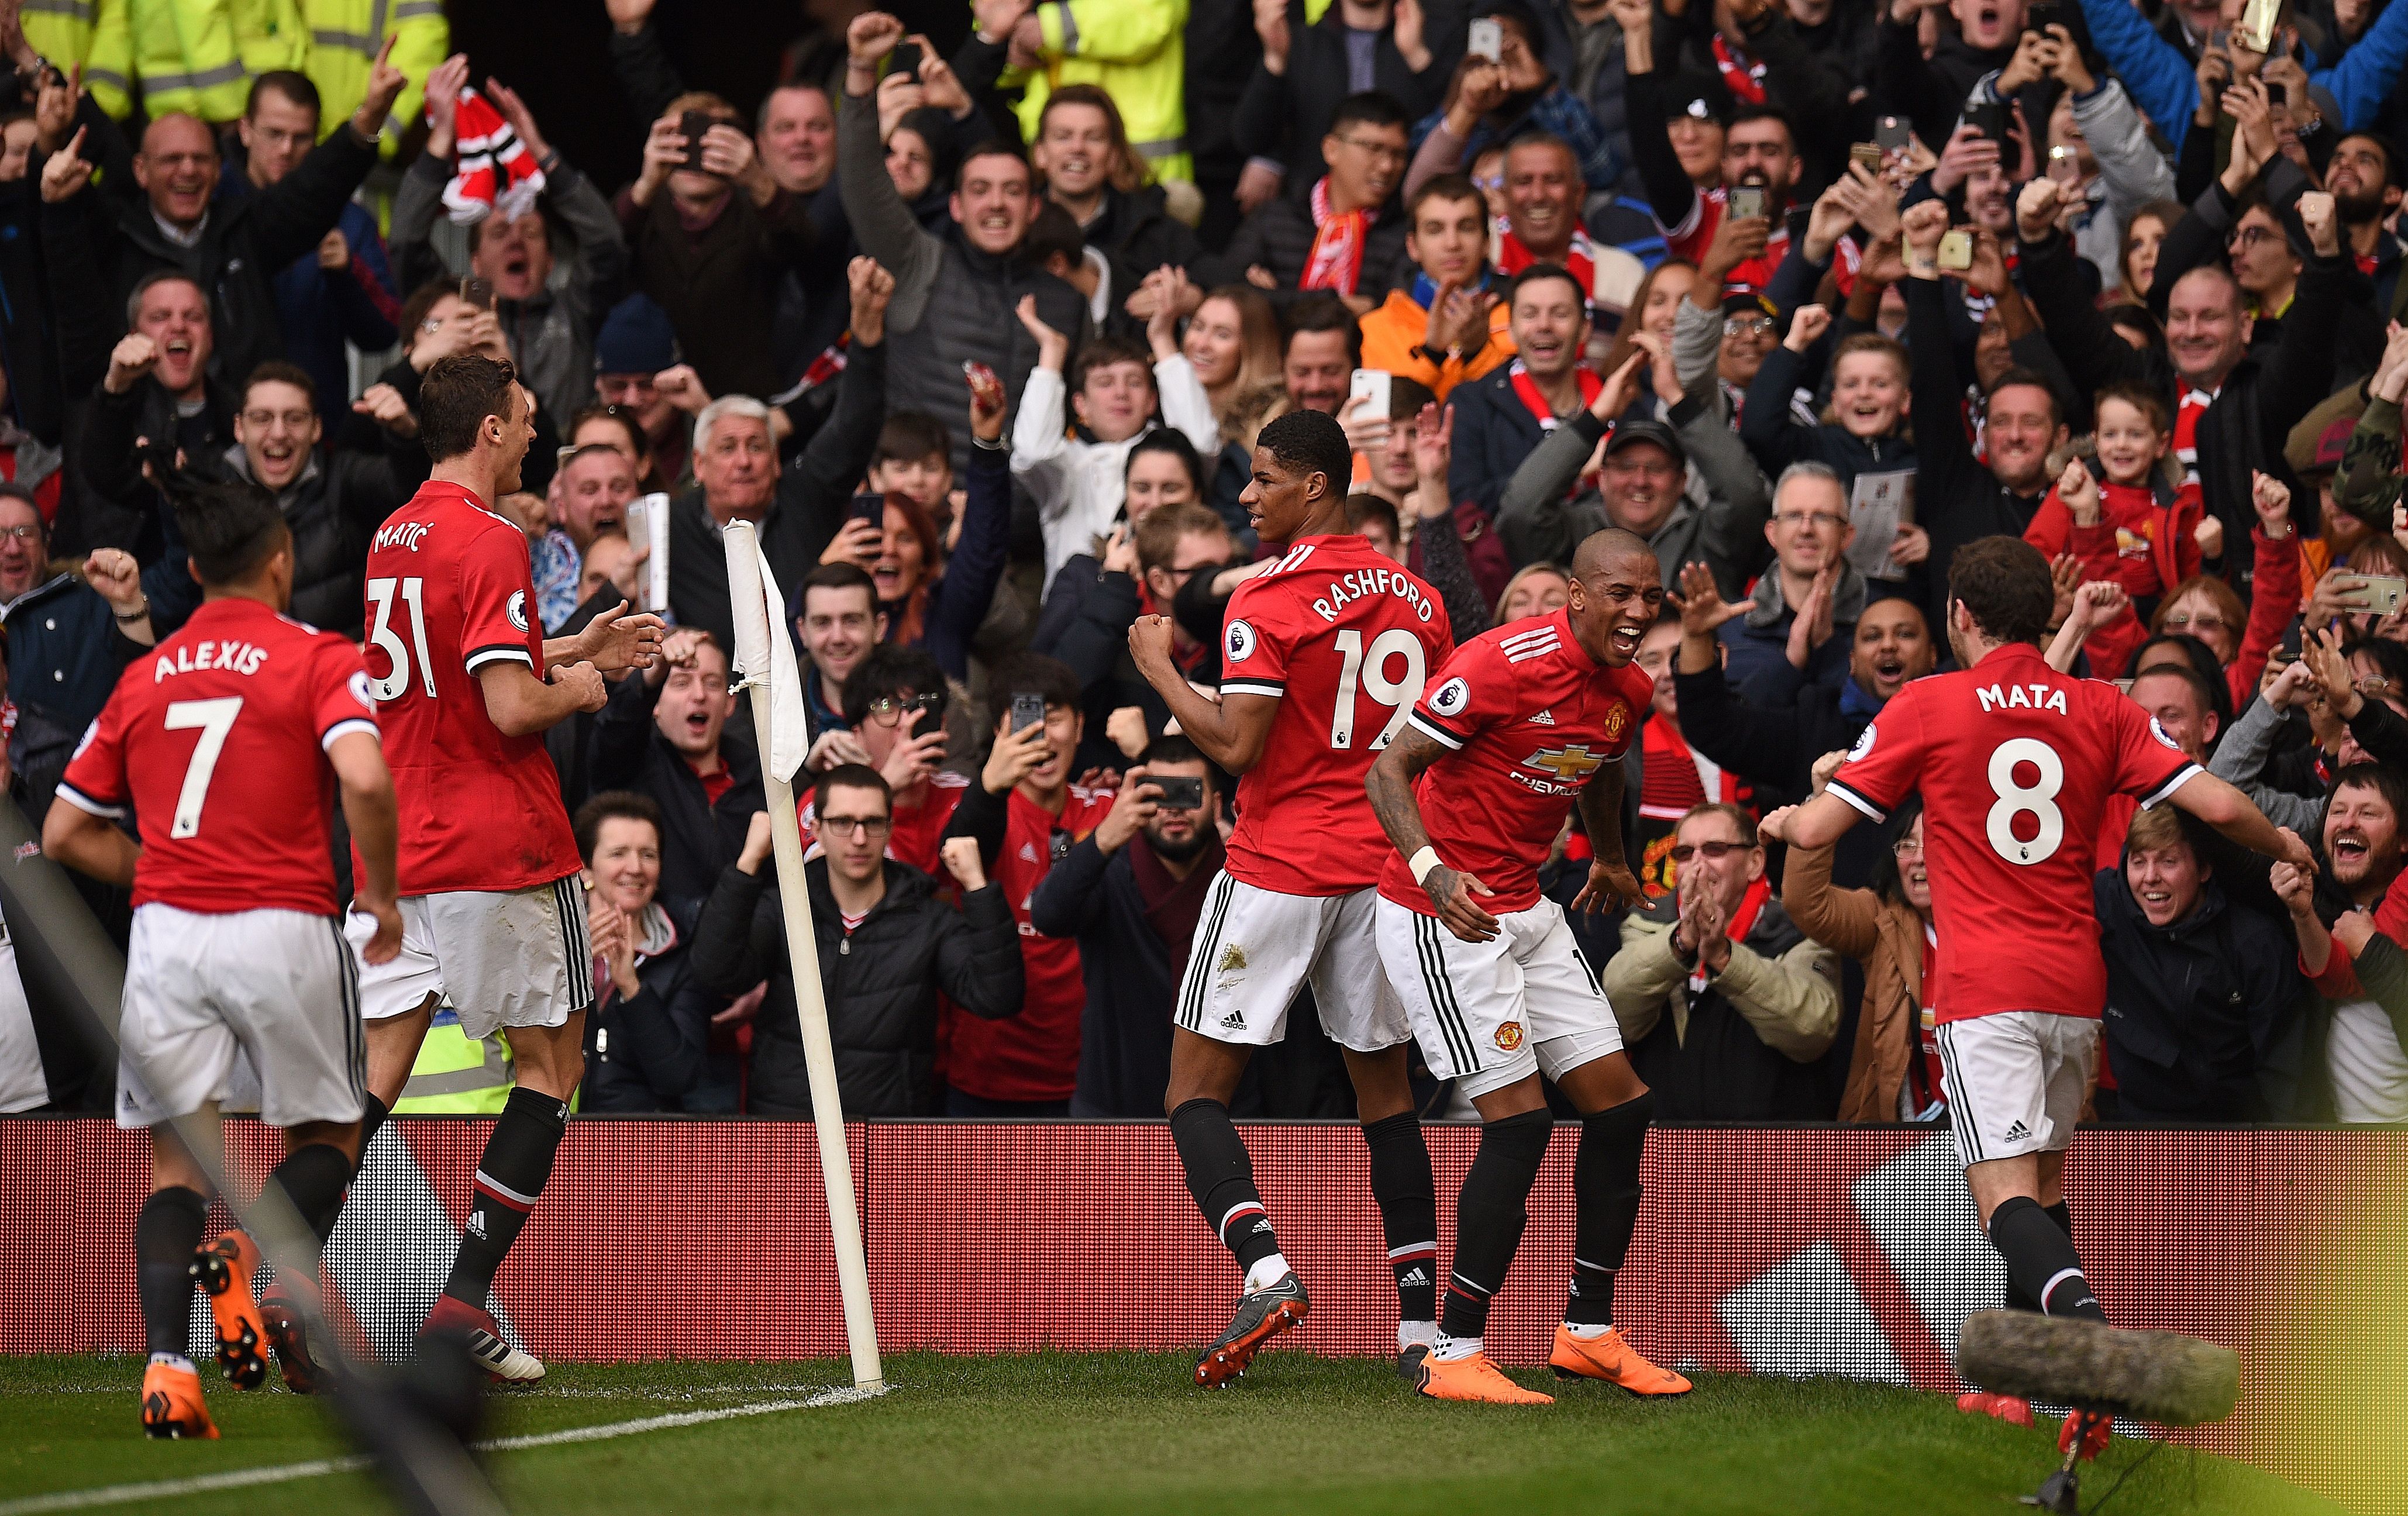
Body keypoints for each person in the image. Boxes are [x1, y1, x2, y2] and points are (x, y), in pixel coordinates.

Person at [1779, 535, 2311, 1456]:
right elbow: (2219, 808)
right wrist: (2289, 847)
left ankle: (2087, 1348)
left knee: (2002, 1199)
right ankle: (2020, 1386)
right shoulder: (2099, 704)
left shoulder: (1929, 703)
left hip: (1986, 988)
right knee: (2049, 1183)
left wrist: (1790, 816)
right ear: (2041, 613)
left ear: (1957, 616)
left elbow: (1825, 822)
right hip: (2075, 986)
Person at [43, 471, 402, 1434]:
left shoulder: (142, 676)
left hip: (167, 935)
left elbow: (68, 830)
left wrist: (160, 865)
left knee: (175, 1168)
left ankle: (168, 1369)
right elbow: (365, 775)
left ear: (194, 571)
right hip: (281, 923)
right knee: (329, 1133)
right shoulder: (318, 656)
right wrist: (380, 889)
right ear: (281, 563)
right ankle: (250, 1253)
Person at [346, 353, 663, 1386]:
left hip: (403, 841)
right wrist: (589, 685)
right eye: (525, 419)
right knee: (553, 1069)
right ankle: (460, 1303)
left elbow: (455, 671)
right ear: (489, 429)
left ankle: (275, 1267)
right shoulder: (494, 537)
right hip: (498, 842)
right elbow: (509, 707)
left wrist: (573, 646)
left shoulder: (393, 534)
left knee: (372, 1077)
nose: (535, 435)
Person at [1127, 406, 1455, 1386]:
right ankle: (1419, 1334)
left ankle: (1266, 1267)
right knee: (1386, 1097)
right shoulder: (1423, 601)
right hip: (1382, 869)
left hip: (1278, 865)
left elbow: (1234, 745)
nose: (1246, 491)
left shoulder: (1263, 599)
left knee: (1192, 1090)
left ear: (1314, 484)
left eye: (1263, 477)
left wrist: (1160, 671)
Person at [1362, 525, 1685, 1405]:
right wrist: (1434, 871)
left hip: (1526, 910)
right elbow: (1390, 772)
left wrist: (1612, 858)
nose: (1636, 612)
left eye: (1649, 597)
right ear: (1574, 595)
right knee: (1519, 1124)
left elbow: (1607, 761)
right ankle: (1453, 1353)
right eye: (1619, 594)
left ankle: (1586, 1331)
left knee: (1622, 1107)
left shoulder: (1628, 687)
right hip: (1441, 915)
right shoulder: (1497, 665)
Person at [840, 13, 1089, 474]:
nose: (996, 205)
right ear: (954, 206)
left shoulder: (1067, 301)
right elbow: (860, 182)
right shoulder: (918, 263)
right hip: (921, 516)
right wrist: (859, 72)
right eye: (979, 191)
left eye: (1012, 191)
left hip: (1029, 530)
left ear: (1034, 208)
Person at [695, 769, 1023, 1116]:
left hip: (886, 1137)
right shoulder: (786, 908)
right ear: (815, 828)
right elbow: (716, 974)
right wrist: (748, 864)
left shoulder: (927, 919)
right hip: (786, 1126)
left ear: (890, 828)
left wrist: (978, 887)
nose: (859, 838)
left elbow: (997, 997)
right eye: (842, 822)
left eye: (873, 822)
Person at [662, 257, 891, 655]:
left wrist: (867, 334)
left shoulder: (806, 495)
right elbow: (734, 640)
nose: (744, 462)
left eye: (756, 447)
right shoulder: (669, 532)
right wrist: (817, 572)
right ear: (698, 464)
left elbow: (854, 426)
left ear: (776, 460)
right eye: (728, 448)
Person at [397, 59, 629, 429]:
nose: (517, 239)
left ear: (552, 261)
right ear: (475, 262)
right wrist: (441, 139)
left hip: (558, 478)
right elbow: (407, 243)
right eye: (499, 233)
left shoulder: (575, 312)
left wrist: (540, 153)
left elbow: (607, 244)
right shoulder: (459, 314)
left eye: (532, 233)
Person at [938, 655, 1115, 1115]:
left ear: (1079, 727)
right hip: (985, 1072)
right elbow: (954, 850)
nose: (1040, 735)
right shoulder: (976, 810)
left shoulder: (1108, 810)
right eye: (1024, 721)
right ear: (999, 733)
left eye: (1053, 719)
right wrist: (989, 788)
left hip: (1086, 1077)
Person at [1603, 802, 1841, 1118]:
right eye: (1685, 854)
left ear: (1755, 862)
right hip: (1665, 1151)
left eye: (1714, 850)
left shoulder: (1799, 928)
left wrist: (1724, 957)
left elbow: (1812, 1030)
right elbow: (1616, 1016)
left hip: (1774, 1153)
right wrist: (1681, 942)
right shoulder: (1647, 922)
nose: (1698, 866)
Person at [1029, 738, 1226, 1118]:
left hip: (1222, 1103)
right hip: (1111, 1105)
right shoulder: (1110, 870)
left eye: (1188, 793)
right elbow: (1048, 916)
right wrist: (1105, 836)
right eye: (1159, 794)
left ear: (1217, 805)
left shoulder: (1242, 881)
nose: (1173, 810)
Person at [2093, 803, 2303, 1122]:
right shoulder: (2110, 907)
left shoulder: (2254, 942)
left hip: (2235, 1133)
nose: (2150, 878)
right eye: (2138, 862)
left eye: (2168, 862)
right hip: (2137, 1129)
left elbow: (2286, 1074)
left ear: (2204, 869)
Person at [1012, 298, 1218, 592]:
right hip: (1075, 618)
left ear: (1152, 401)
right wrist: (1052, 356)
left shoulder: (1167, 455)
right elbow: (1031, 454)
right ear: (1080, 405)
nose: (1121, 393)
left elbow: (1200, 442)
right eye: (1105, 383)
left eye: (1134, 382)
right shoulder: (1066, 467)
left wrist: (1162, 341)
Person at [1770, 779, 1946, 1122]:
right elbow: (1807, 903)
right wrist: (1821, 800)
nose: (1919, 859)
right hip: (1902, 1140)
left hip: (1998, 1142)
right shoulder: (1881, 920)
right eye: (1907, 846)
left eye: (1936, 844)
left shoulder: (2000, 926)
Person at [230, 71, 401, 416]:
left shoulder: (350, 222)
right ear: (245, 130)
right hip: (229, 422)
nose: (286, 149)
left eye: (302, 137)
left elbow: (383, 333)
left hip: (319, 427)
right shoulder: (216, 212)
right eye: (275, 134)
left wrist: (347, 273)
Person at [2022, 384, 2202, 680]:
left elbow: (2189, 583)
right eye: (2110, 434)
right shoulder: (2074, 491)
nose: (2121, 445)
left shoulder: (2176, 507)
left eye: (2135, 434)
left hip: (2151, 624)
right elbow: (2034, 553)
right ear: (2095, 440)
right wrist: (2061, 590)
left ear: (2161, 444)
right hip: (2081, 620)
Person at [576, 791, 735, 1113]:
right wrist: (575, 967)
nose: (635, 868)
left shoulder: (681, 953)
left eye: (648, 855)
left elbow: (681, 1077)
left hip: (641, 1147)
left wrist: (632, 989)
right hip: (556, 1137)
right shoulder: (552, 942)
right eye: (618, 853)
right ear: (586, 869)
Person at [0, 488, 154, 818]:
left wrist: (128, 604)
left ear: (47, 544)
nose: (12, 548)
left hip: (88, 807)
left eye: (25, 533)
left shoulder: (89, 603)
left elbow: (145, 685)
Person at [587, 628, 762, 911]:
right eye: (681, 683)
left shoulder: (762, 782)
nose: (699, 695)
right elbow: (613, 733)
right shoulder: (629, 768)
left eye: (713, 683)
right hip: (663, 947)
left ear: (731, 703)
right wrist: (652, 675)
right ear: (654, 704)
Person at [2276, 764, 2408, 1124]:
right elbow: (2340, 980)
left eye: (2368, 812)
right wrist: (2303, 914)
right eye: (2338, 811)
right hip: (2341, 1145)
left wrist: (2369, 946)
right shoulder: (2321, 899)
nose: (2348, 822)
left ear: (2403, 840)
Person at [1211, 91, 1414, 308]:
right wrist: (1343, 306)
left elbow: (1395, 317)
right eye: (1374, 149)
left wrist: (1274, 300)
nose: (1387, 166)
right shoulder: (1273, 219)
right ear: (1331, 149)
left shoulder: (1406, 237)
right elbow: (1228, 293)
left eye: (1398, 155)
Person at [1356, 173, 1515, 399]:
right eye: (1435, 230)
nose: (1452, 244)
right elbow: (1386, 422)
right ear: (1413, 246)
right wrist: (1431, 353)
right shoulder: (1374, 330)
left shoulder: (1522, 320)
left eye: (1466, 228)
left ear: (1486, 243)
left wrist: (1478, 352)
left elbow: (1522, 418)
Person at [794, 563, 880, 739]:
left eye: (852, 621)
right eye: (822, 622)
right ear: (802, 632)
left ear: (879, 627)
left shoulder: (927, 701)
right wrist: (808, 766)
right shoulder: (770, 719)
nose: (838, 638)